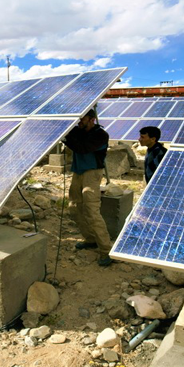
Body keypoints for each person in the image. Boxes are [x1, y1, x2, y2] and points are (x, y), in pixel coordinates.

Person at [64, 109, 113, 267]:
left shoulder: (100, 135)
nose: (79, 121)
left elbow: (82, 147)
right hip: (78, 172)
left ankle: (106, 249)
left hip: (92, 174)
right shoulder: (78, 131)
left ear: (91, 119)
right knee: (74, 207)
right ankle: (90, 239)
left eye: (82, 119)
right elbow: (75, 138)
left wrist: (65, 137)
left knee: (91, 210)